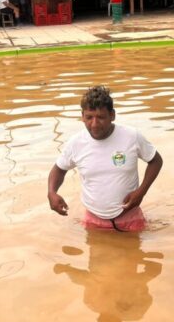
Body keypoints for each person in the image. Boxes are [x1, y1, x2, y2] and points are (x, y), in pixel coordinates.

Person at [48, 86, 163, 232]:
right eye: (89, 117)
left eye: (101, 117)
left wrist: (141, 192)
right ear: (82, 116)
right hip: (93, 221)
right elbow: (59, 169)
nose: (94, 124)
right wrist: (52, 192)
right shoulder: (75, 143)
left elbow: (156, 161)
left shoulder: (132, 136)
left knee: (135, 254)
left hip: (131, 219)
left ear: (112, 115)